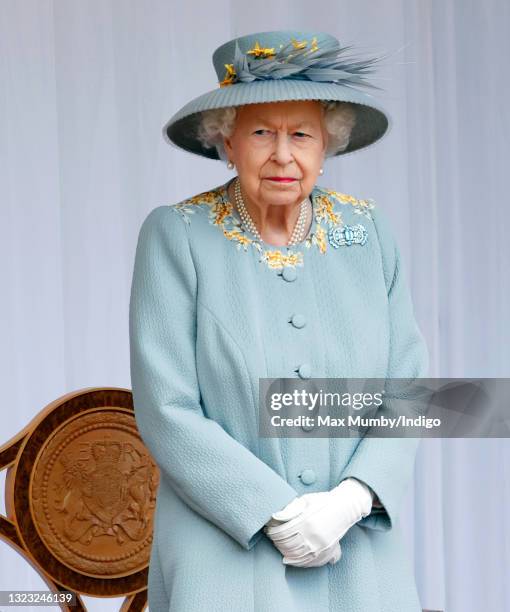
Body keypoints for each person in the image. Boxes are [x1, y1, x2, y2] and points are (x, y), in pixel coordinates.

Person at [129, 29, 429, 612]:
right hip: (224, 547)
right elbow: (167, 409)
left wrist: (352, 498)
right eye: (262, 132)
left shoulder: (368, 233)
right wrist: (274, 509)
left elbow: (410, 391)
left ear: (328, 145)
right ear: (227, 140)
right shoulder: (178, 235)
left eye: (302, 135)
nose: (283, 155)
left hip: (356, 548)